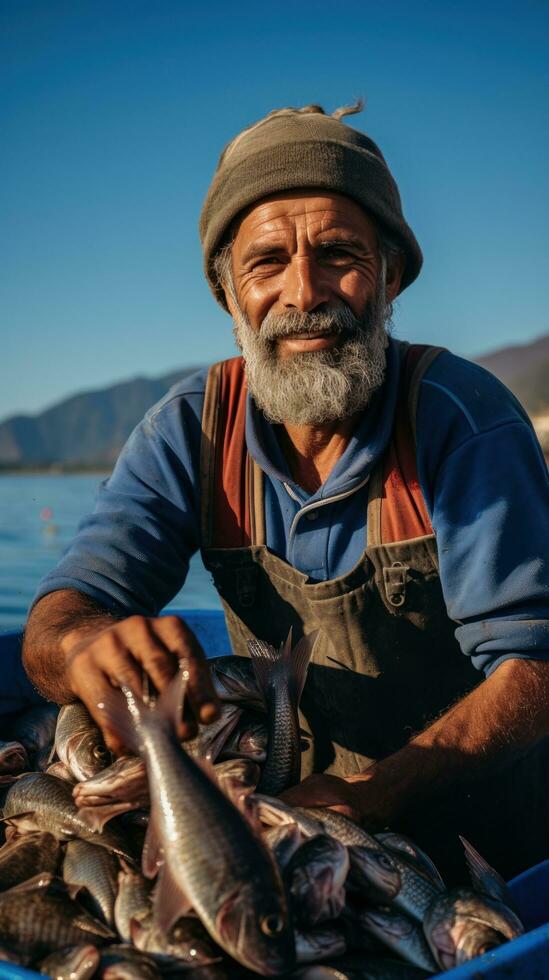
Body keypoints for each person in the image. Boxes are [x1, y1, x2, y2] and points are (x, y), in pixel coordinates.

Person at [23, 103, 549, 881]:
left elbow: (534, 668)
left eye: (339, 253)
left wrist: (377, 794)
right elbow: (57, 619)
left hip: (483, 842)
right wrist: (83, 646)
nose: (304, 292)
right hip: (288, 805)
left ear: (391, 276)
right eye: (266, 263)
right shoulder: (189, 432)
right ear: (228, 295)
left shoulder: (457, 420)